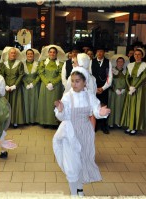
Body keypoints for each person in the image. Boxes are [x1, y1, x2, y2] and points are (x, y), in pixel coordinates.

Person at [53, 67, 110, 196]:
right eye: (72, 81)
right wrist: (61, 110)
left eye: (77, 81)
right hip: (70, 133)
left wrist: (100, 112)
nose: (74, 84)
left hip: (85, 132)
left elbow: (95, 110)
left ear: (85, 82)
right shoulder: (68, 96)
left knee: (82, 162)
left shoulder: (89, 95)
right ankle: (74, 194)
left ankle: (79, 189)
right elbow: (62, 117)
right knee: (72, 165)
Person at [121, 48, 146, 135]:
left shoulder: (145, 66)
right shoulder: (130, 65)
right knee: (130, 106)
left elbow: (143, 78)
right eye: (135, 54)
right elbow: (126, 77)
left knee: (137, 107)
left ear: (142, 56)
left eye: (139, 54)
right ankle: (130, 126)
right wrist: (129, 86)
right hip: (130, 87)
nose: (137, 56)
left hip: (140, 88)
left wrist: (135, 87)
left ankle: (135, 127)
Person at [37, 45, 66, 127]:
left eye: (54, 52)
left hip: (56, 86)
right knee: (44, 103)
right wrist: (47, 83)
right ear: (48, 53)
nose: (52, 54)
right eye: (50, 52)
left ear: (56, 54)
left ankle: (54, 122)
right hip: (45, 86)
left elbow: (61, 75)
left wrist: (52, 83)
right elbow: (41, 73)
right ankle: (44, 121)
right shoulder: (43, 62)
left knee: (54, 103)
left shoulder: (61, 64)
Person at [0, 47, 25, 127]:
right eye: (11, 53)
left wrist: (15, 85)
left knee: (15, 104)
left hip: (16, 88)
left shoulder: (19, 63)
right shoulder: (4, 64)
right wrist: (5, 85)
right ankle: (6, 121)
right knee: (6, 105)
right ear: (8, 54)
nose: (13, 54)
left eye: (14, 53)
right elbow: (1, 75)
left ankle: (15, 121)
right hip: (6, 88)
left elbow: (21, 75)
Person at [90, 46, 113, 134]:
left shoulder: (108, 62)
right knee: (94, 106)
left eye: (101, 51)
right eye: (98, 51)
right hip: (94, 89)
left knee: (104, 106)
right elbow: (90, 76)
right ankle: (94, 126)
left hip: (104, 88)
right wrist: (95, 88)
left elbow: (110, 77)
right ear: (96, 52)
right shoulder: (91, 62)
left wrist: (103, 88)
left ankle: (104, 126)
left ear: (104, 53)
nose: (100, 53)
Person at [108, 56, 129, 128]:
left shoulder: (126, 71)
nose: (120, 63)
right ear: (116, 62)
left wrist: (124, 89)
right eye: (119, 61)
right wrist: (115, 89)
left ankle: (119, 121)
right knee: (113, 106)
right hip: (114, 92)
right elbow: (109, 82)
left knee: (120, 107)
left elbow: (128, 82)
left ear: (124, 63)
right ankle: (111, 122)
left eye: (122, 62)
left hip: (123, 92)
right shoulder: (112, 71)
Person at [21, 49, 41, 124]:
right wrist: (25, 83)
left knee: (34, 102)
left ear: (33, 55)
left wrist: (34, 83)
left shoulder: (37, 63)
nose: (30, 55)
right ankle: (26, 120)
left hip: (35, 85)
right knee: (25, 102)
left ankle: (34, 120)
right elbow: (21, 75)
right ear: (26, 55)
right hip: (25, 85)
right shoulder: (22, 64)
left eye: (31, 54)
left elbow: (39, 75)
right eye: (28, 54)